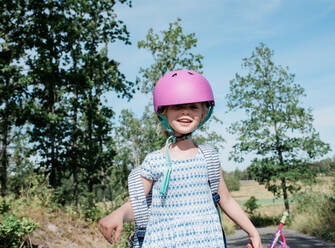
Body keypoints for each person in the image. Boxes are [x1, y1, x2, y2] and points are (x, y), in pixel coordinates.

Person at [98, 70, 262, 248]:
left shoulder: (209, 157)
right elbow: (136, 205)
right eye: (177, 106)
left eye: (193, 107)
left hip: (208, 242)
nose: (186, 112)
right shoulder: (154, 161)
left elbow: (226, 200)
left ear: (203, 113)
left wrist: (252, 232)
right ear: (164, 112)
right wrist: (119, 214)